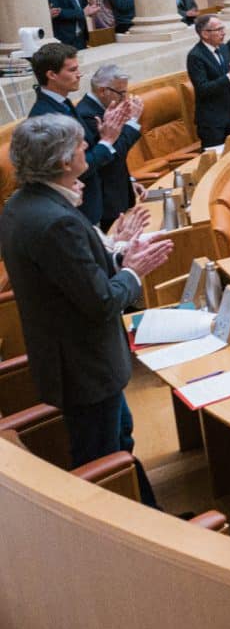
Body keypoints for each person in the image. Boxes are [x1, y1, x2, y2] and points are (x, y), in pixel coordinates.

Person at [0, 114, 173, 505]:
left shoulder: (22, 205)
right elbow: (101, 302)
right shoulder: (56, 221)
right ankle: (131, 527)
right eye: (81, 144)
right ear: (64, 161)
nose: (86, 148)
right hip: (84, 366)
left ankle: (149, 510)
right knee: (101, 458)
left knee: (119, 439)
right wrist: (133, 272)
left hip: (76, 361)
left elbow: (69, 277)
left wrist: (117, 255)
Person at [29, 43, 131, 227]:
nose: (79, 74)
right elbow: (72, 168)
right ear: (52, 75)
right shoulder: (46, 116)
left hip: (91, 204)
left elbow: (86, 149)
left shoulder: (64, 103)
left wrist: (103, 134)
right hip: (74, 213)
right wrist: (107, 141)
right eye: (72, 70)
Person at [76, 64, 144, 231]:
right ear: (102, 91)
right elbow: (111, 155)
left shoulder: (105, 109)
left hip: (117, 192)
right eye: (121, 93)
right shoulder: (88, 115)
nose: (124, 98)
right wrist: (132, 123)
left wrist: (130, 181)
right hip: (106, 200)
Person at [187, 14, 230, 148]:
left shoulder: (223, 48)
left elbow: (228, 76)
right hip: (211, 120)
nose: (223, 32)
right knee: (217, 157)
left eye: (223, 28)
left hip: (229, 113)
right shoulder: (195, 56)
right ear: (205, 34)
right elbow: (203, 88)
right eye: (219, 29)